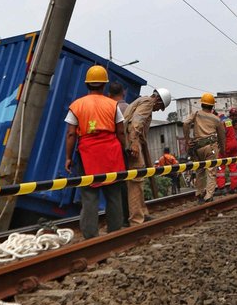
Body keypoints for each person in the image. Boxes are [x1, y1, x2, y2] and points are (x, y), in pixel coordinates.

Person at [64, 66, 125, 239]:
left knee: (89, 195)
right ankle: (115, 233)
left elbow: (70, 134)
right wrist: (124, 149)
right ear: (104, 85)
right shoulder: (113, 105)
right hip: (112, 152)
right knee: (113, 193)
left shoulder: (77, 105)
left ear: (87, 84)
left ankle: (91, 236)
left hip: (88, 153)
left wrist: (68, 157)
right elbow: (120, 131)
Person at [123, 88, 172, 224]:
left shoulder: (141, 100)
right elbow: (136, 123)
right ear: (158, 100)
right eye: (160, 107)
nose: (158, 110)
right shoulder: (148, 103)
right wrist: (133, 143)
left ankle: (142, 212)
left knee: (137, 179)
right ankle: (136, 219)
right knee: (136, 180)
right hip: (132, 141)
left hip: (131, 141)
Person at [183, 93, 225, 202]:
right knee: (211, 171)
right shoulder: (216, 119)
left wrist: (187, 140)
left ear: (202, 104)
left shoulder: (196, 114)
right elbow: (222, 137)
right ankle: (208, 196)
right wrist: (223, 150)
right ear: (212, 106)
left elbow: (185, 123)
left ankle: (200, 193)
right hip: (211, 146)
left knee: (200, 170)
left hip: (197, 147)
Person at [109, 81, 130, 226]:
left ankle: (114, 219)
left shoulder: (107, 107)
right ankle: (125, 218)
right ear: (124, 92)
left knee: (111, 184)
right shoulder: (128, 108)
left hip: (109, 149)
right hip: (123, 149)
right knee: (124, 183)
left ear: (109, 94)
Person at [216, 116, 237, 195]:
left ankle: (221, 187)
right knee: (233, 167)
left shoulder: (220, 122)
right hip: (234, 144)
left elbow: (221, 134)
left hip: (226, 145)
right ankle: (234, 187)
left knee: (220, 166)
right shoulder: (228, 120)